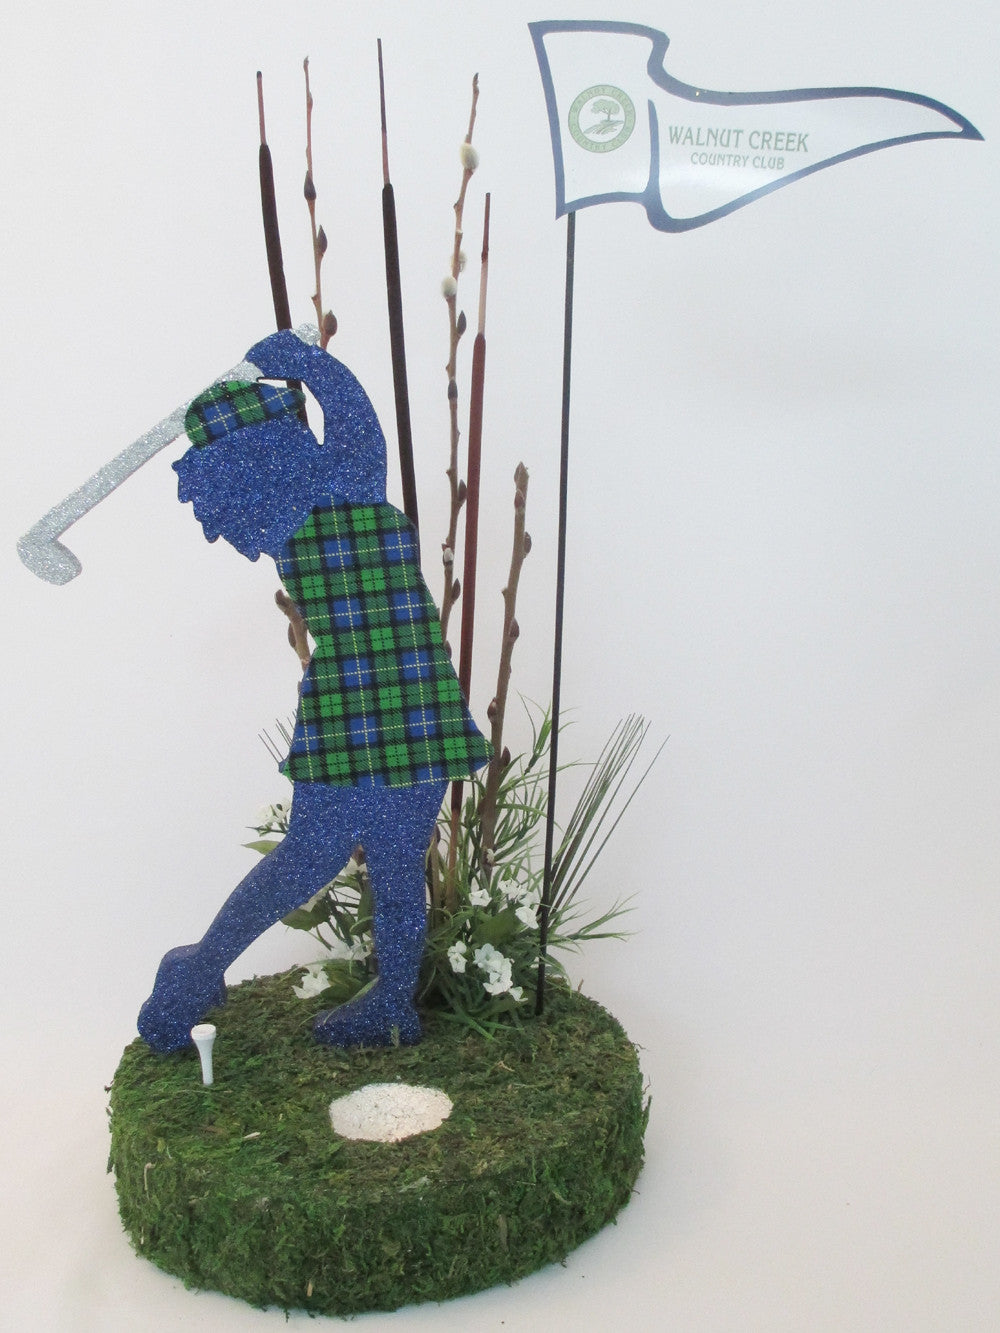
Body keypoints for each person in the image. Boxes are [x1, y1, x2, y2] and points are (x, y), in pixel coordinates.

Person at [137, 330, 490, 1053]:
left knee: (322, 855)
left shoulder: (280, 520)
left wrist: (306, 366)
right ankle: (208, 972)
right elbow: (358, 420)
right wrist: (308, 363)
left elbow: (354, 424)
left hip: (362, 699)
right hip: (410, 695)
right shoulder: (346, 482)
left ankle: (370, 1002)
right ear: (278, 440)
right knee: (368, 859)